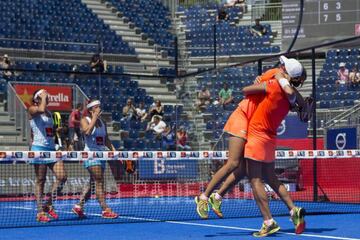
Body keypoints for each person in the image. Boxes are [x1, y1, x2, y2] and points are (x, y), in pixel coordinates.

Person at [195, 57, 307, 236]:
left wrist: (279, 83)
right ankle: (204, 197)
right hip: (244, 117)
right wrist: (301, 104)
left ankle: (217, 197)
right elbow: (287, 92)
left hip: (256, 127)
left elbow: (256, 88)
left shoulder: (277, 78)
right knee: (234, 164)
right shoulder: (281, 84)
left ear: (285, 70)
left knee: (243, 170)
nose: (280, 66)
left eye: (283, 65)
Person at [72, 99, 118, 219]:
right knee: (99, 181)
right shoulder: (84, 120)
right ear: (91, 109)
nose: (99, 108)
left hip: (102, 155)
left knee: (93, 183)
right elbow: (87, 132)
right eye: (97, 107)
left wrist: (114, 151)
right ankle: (105, 209)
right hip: (90, 155)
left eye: (100, 106)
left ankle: (78, 205)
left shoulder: (103, 122)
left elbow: (106, 139)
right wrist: (94, 118)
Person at [28, 89, 67, 223]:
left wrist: (57, 131)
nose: (47, 97)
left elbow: (46, 129)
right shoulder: (32, 109)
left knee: (62, 177)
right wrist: (42, 97)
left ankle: (48, 204)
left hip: (51, 149)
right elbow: (41, 109)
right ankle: (40, 212)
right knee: (41, 180)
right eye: (44, 96)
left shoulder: (49, 112)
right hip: (39, 149)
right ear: (37, 98)